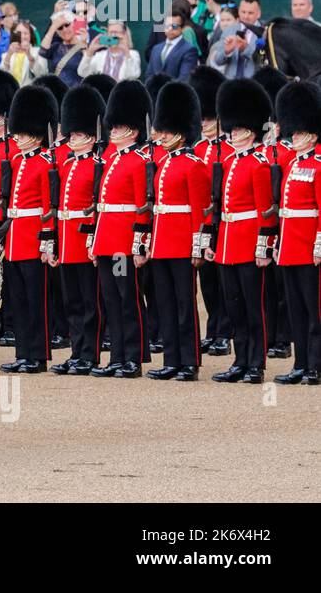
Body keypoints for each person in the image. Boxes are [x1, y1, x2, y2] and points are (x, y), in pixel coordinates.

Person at [209, 79, 275, 385]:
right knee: (234, 307)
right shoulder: (230, 162)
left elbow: (265, 211)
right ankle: (240, 359)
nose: (233, 134)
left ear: (250, 130)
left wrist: (263, 247)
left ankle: (256, 364)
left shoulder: (259, 165)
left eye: (238, 130)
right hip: (227, 242)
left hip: (249, 242)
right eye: (231, 129)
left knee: (253, 308)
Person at [142, 81, 209, 380]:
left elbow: (199, 210)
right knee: (166, 304)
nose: (162, 135)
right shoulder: (164, 163)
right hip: (162, 243)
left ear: (181, 132)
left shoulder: (194, 166)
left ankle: (189, 361)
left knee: (185, 305)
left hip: (182, 243)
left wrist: (198, 245)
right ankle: (172, 359)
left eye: (167, 130)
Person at [90, 80, 153, 378]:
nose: (112, 132)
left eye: (118, 128)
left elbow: (142, 207)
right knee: (111, 300)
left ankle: (133, 357)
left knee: (128, 299)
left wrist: (139, 246)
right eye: (112, 128)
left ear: (133, 131)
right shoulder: (110, 159)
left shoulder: (139, 162)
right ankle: (116, 355)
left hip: (122, 244)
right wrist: (94, 243)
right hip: (106, 241)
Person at [0, 85, 58, 374]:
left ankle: (38, 354)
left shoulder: (45, 163)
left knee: (37, 302)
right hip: (14, 239)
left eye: (21, 133)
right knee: (19, 301)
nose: (16, 137)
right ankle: (23, 351)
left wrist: (47, 244)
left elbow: (48, 209)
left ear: (34, 134)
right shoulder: (15, 161)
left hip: (33, 238)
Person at [49, 84, 106, 376]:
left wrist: (94, 241)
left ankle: (90, 353)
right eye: (71, 134)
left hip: (84, 241)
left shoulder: (98, 165)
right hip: (67, 240)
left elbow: (98, 206)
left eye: (79, 134)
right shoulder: (66, 166)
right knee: (71, 302)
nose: (73, 139)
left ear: (92, 137)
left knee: (89, 303)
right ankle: (76, 352)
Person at [272, 80, 321, 385]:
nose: (295, 137)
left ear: (313, 134)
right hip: (290, 245)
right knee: (296, 311)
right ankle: (300, 362)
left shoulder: (318, 164)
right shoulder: (292, 164)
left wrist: (319, 243)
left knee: (315, 310)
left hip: (309, 246)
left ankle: (315, 365)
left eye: (300, 133)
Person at [208, 0, 263, 79]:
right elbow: (218, 61)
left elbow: (263, 63)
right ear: (238, 12)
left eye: (250, 13)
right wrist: (226, 52)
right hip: (230, 83)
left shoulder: (264, 33)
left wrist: (246, 49)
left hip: (253, 84)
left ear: (258, 14)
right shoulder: (229, 30)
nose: (246, 16)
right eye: (243, 12)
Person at [78, 20, 142, 81]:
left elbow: (132, 76)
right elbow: (82, 72)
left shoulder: (132, 54)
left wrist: (126, 51)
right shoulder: (100, 55)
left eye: (116, 32)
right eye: (111, 32)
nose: (113, 35)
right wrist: (90, 51)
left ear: (124, 35)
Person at [147, 11, 200, 80]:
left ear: (182, 28)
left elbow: (184, 78)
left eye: (174, 26)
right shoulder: (156, 49)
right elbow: (149, 74)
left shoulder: (189, 50)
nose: (170, 29)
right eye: (167, 25)